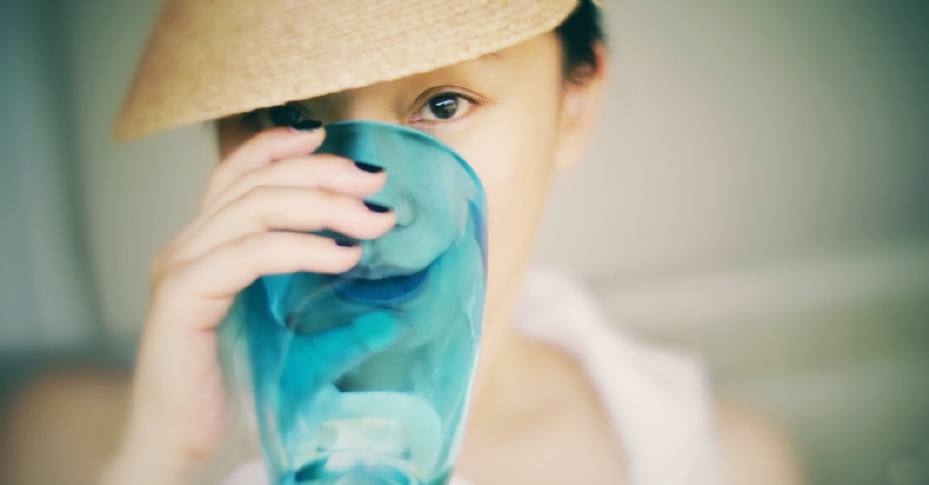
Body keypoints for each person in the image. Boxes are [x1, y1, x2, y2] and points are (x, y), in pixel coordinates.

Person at [1, 1, 805, 484]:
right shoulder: (65, 445)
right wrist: (153, 462)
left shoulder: (714, 463)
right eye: (288, 116)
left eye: (444, 104)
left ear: (575, 105)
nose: (364, 200)